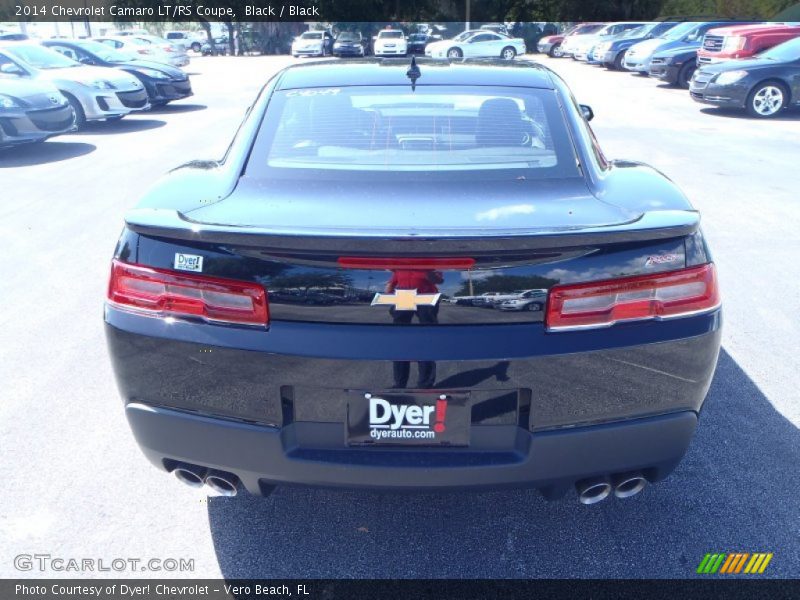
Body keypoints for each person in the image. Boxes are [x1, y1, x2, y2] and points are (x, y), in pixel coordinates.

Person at [384, 269, 443, 389]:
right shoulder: (399, 269)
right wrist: (389, 296)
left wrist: (429, 274)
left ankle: (425, 384)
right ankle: (399, 383)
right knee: (400, 341)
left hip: (425, 296)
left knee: (427, 341)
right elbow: (390, 286)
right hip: (404, 296)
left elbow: (439, 280)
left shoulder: (430, 265)